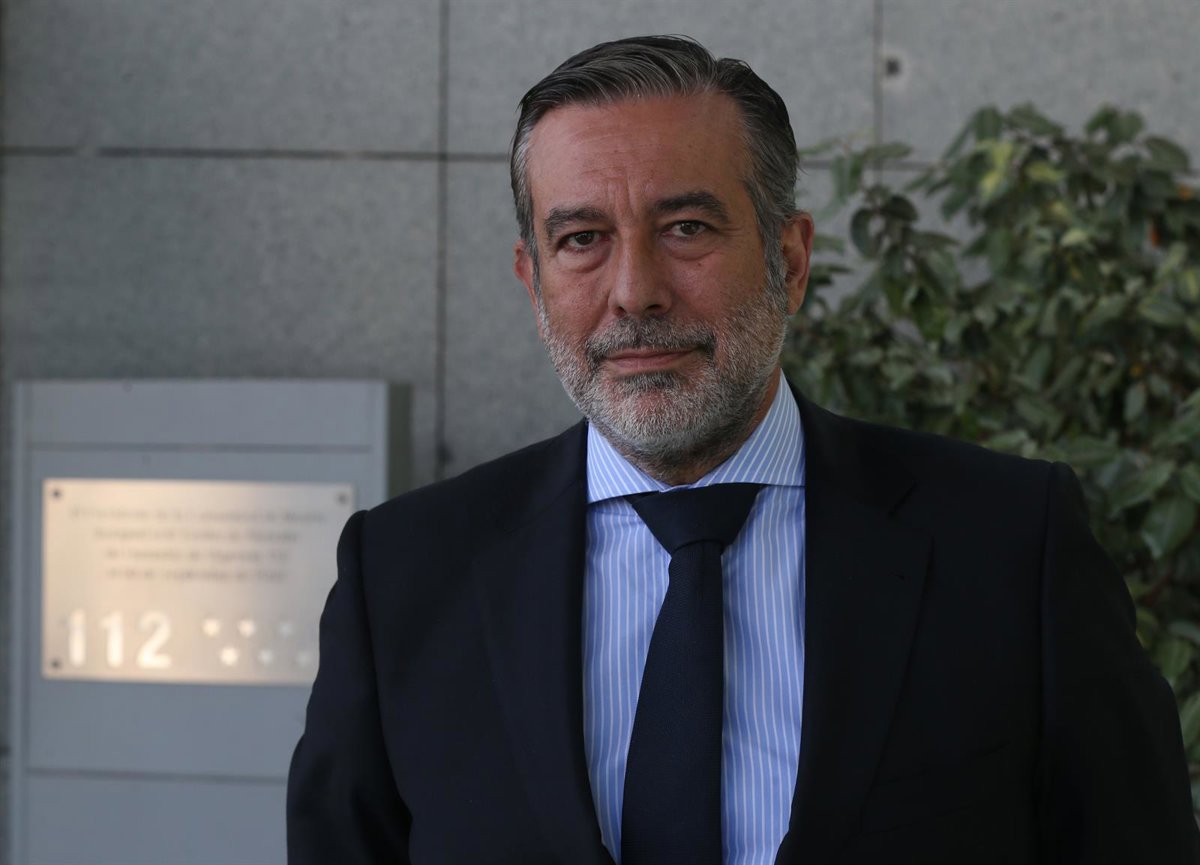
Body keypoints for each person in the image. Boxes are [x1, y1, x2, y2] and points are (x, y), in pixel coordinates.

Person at [287, 35, 1200, 864]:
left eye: (686, 228)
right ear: (533, 280)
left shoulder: (1010, 546)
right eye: (582, 239)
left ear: (789, 261)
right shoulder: (402, 578)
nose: (635, 291)